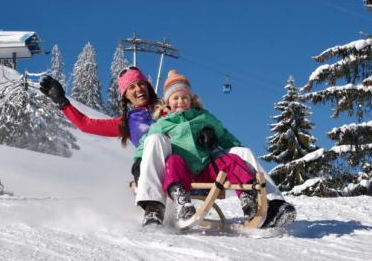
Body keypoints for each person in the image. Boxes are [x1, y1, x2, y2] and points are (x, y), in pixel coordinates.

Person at [40, 68, 296, 228]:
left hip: (199, 164)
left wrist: (208, 131)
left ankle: (272, 205)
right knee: (156, 140)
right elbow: (86, 124)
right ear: (125, 96)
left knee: (242, 152)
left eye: (140, 84)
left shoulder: (176, 104)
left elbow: (200, 114)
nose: (138, 89)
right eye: (131, 87)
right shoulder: (127, 122)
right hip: (164, 170)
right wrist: (63, 103)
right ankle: (153, 207)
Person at [136, 70, 260, 223]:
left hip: (207, 168)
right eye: (175, 98)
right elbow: (148, 141)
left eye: (184, 97)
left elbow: (225, 136)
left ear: (191, 99)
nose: (180, 101)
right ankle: (181, 200)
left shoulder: (204, 117)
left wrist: (219, 138)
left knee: (232, 159)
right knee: (173, 161)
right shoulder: (164, 123)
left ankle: (248, 197)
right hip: (182, 172)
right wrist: (138, 160)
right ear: (167, 101)